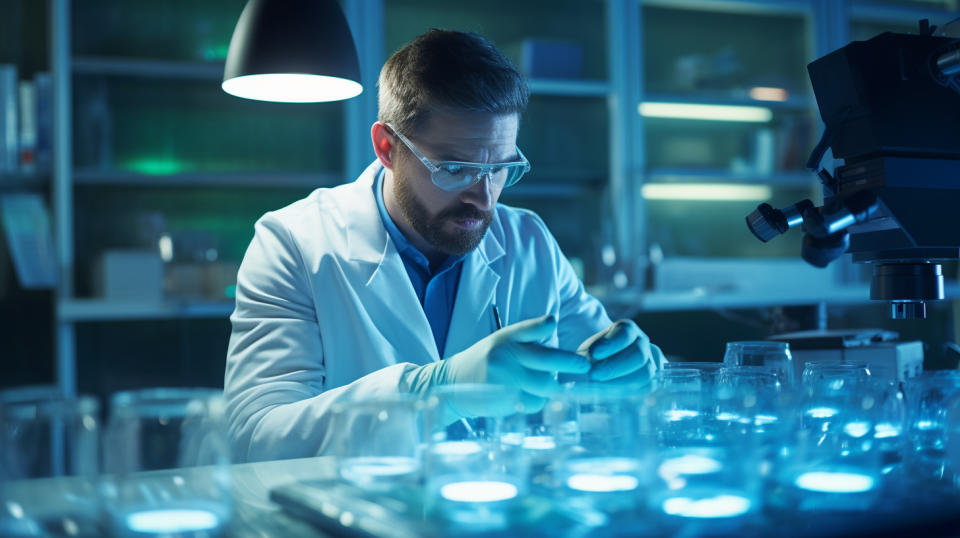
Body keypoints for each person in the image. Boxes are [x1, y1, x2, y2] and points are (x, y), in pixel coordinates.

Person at [224, 29, 665, 463]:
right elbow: (256, 439)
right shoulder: (293, 243)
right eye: (455, 168)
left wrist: (635, 368)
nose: (483, 196)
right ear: (387, 147)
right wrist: (435, 390)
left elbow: (601, 365)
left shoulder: (527, 240)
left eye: (501, 169)